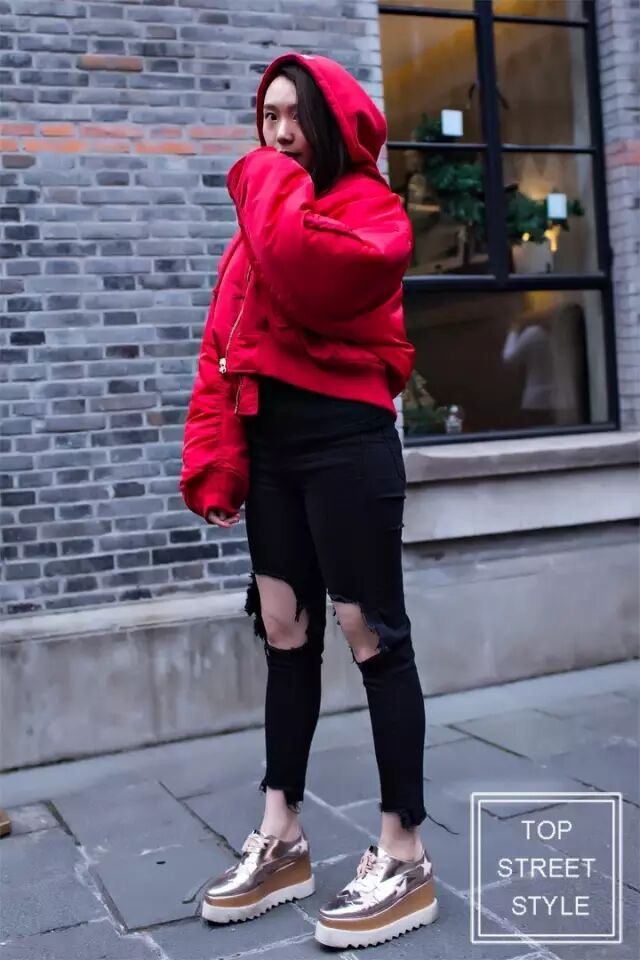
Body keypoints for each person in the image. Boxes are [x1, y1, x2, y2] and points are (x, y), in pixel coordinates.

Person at [180, 51, 438, 951]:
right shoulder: (262, 221)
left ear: (328, 123)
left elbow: (306, 271)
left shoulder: (369, 212)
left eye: (295, 116)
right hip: (274, 450)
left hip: (346, 443)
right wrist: (216, 461)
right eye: (268, 117)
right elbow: (222, 347)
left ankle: (403, 853)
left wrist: (264, 177)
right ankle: (282, 835)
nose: (279, 132)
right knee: (284, 633)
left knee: (372, 635)